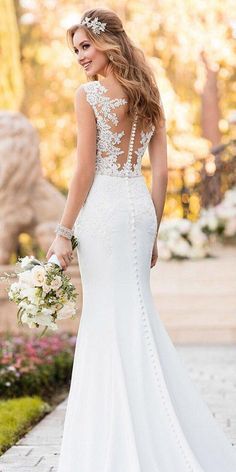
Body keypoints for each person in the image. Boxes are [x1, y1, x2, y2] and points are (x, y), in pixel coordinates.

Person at [46, 8, 236, 472]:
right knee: (134, 314)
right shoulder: (148, 93)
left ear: (108, 42)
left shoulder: (89, 95)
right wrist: (151, 227)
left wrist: (62, 232)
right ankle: (150, 426)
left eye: (86, 46)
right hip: (136, 210)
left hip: (104, 212)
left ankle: (112, 445)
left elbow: (84, 170)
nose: (80, 58)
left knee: (107, 320)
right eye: (75, 51)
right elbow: (163, 171)